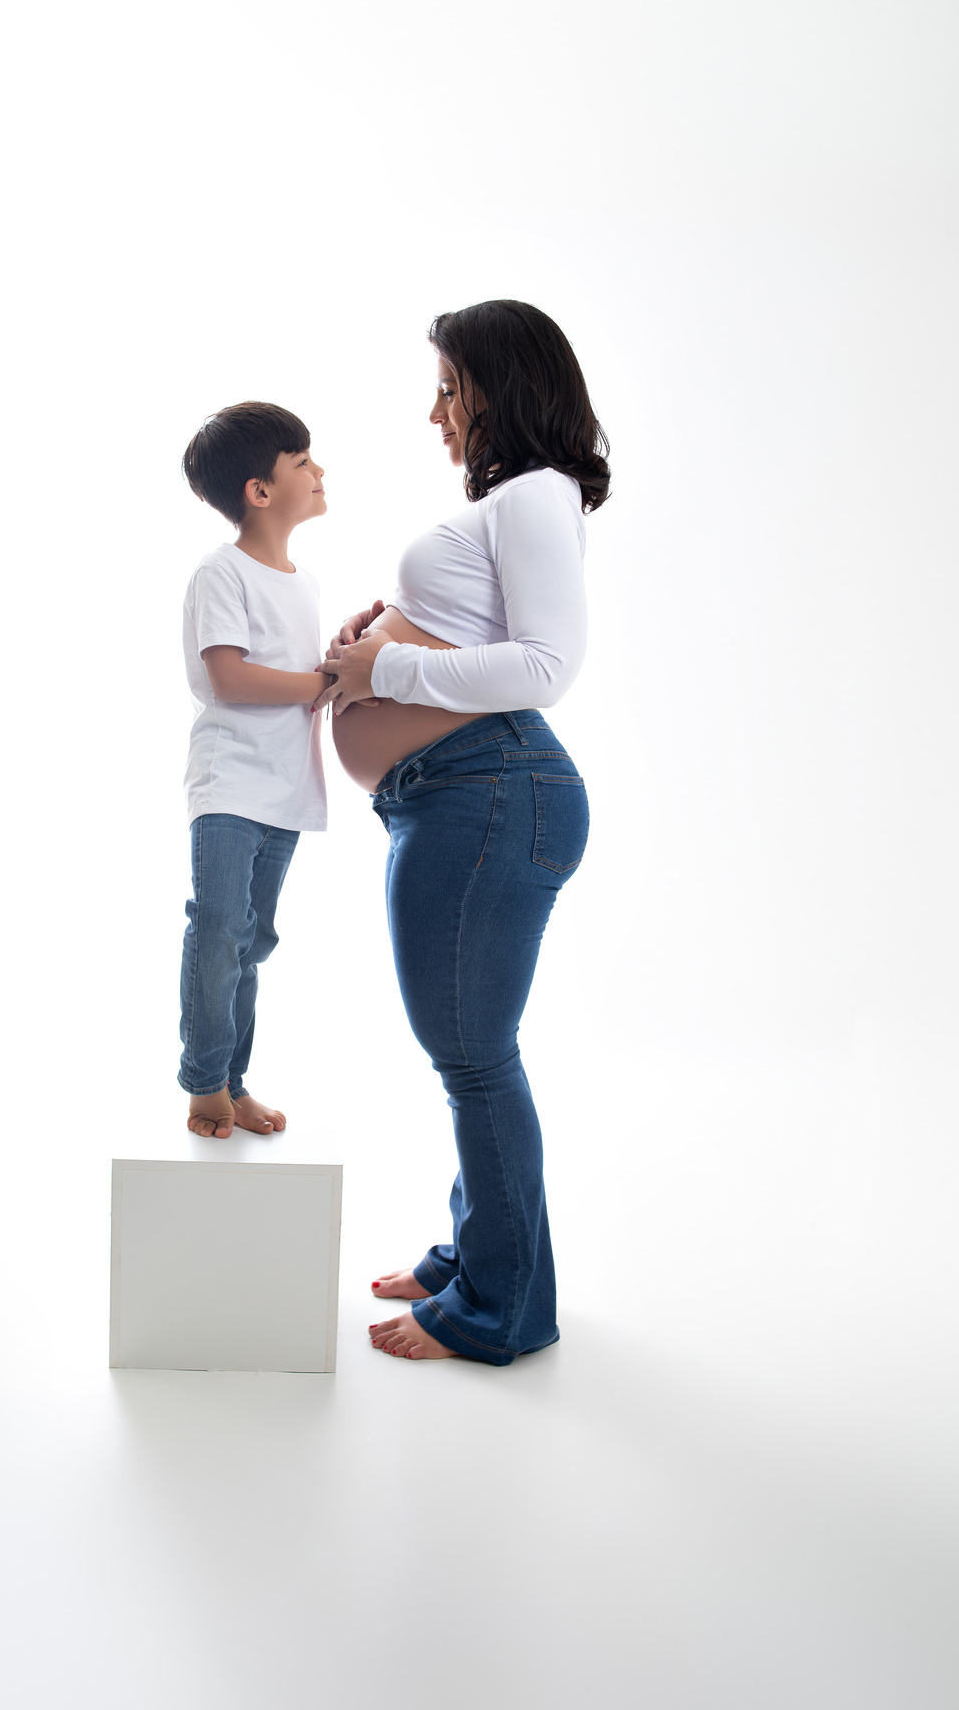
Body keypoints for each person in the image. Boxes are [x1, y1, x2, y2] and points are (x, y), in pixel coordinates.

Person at [316, 300, 610, 1363]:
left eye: (452, 388)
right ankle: (479, 1256)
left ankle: (502, 1310)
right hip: (460, 792)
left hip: (486, 793)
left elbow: (546, 667)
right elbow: (475, 639)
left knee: (475, 1058)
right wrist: (376, 644)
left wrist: (385, 666)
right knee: (469, 1055)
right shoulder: (514, 505)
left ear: (503, 389)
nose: (437, 411)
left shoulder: (533, 494)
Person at [177, 401, 332, 1139]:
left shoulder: (303, 584)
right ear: (259, 491)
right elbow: (231, 678)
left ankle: (233, 1082)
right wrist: (321, 683)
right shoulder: (221, 572)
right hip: (231, 785)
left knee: (252, 942)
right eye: (302, 461)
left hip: (285, 790)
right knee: (219, 930)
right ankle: (205, 1083)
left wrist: (342, 656)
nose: (319, 470)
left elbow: (300, 674)